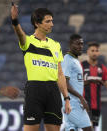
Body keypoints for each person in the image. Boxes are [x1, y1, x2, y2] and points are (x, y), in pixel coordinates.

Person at [11, 3, 71, 131]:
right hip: (34, 90)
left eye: (52, 21)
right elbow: (19, 33)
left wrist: (66, 98)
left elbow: (60, 74)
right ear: (37, 24)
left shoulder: (56, 45)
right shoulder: (27, 42)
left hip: (53, 92)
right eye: (48, 21)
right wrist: (15, 20)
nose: (52, 24)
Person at [82, 42, 107, 130]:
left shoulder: (102, 68)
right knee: (88, 127)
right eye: (92, 50)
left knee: (93, 127)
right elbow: (76, 82)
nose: (94, 53)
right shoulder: (81, 66)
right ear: (88, 52)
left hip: (96, 105)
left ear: (99, 53)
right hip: (84, 105)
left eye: (96, 51)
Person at [61, 34, 93, 131]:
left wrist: (89, 81)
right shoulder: (67, 59)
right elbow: (65, 83)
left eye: (82, 44)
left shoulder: (75, 60)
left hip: (74, 103)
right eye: (78, 44)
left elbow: (75, 82)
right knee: (89, 129)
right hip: (72, 104)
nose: (81, 47)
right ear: (70, 45)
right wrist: (81, 97)